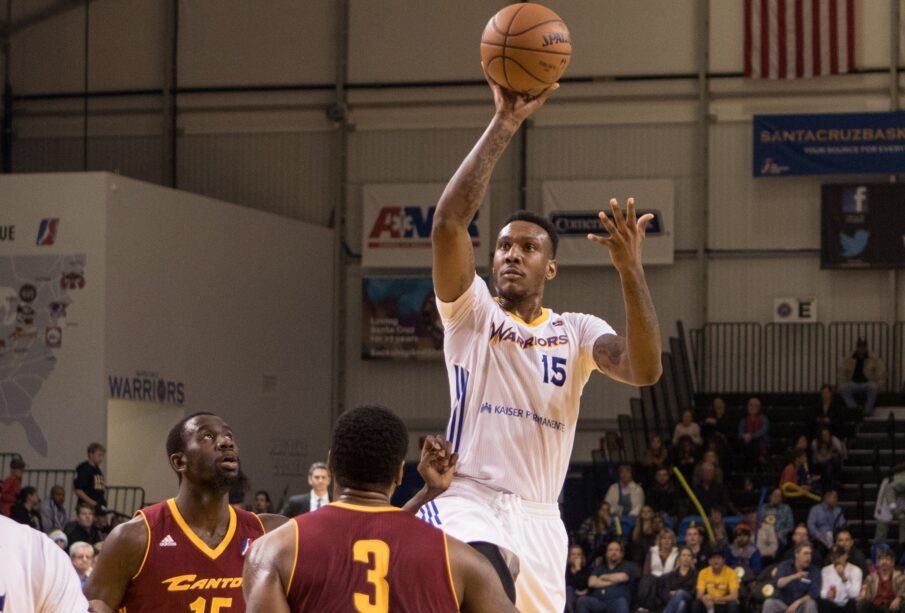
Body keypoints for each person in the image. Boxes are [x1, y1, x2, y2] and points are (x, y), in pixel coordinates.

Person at [427, 67, 662, 611]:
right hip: (468, 500)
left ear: (550, 268)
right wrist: (504, 122)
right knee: (481, 580)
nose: (512, 253)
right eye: (504, 246)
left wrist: (630, 270)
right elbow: (447, 225)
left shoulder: (576, 331)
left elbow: (645, 369)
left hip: (539, 517)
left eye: (528, 248)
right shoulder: (472, 312)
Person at [242, 405, 516, 613]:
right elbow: (386, 531)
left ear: (331, 464)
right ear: (399, 473)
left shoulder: (272, 551)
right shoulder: (461, 559)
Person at [85, 413, 289, 612]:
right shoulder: (135, 537)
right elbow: (92, 606)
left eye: (229, 436)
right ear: (179, 462)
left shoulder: (269, 534)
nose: (226, 442)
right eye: (208, 436)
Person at [0, 513, 89, 611]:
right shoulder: (40, 552)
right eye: (80, 557)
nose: (84, 560)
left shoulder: (49, 556)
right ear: (72, 557)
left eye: (62, 541)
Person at [576, 540, 640, 613]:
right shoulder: (599, 568)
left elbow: (622, 577)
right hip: (599, 602)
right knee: (582, 601)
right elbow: (591, 582)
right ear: (606, 554)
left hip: (616, 602)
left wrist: (602, 577)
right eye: (610, 550)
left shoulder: (628, 566)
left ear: (621, 554)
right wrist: (614, 582)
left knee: (622, 602)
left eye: (617, 550)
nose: (613, 552)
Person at [766, 542, 822, 613]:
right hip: (783, 605)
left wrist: (797, 603)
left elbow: (813, 594)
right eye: (805, 553)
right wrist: (794, 576)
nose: (809, 557)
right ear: (796, 554)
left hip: (801, 606)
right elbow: (778, 583)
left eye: (810, 554)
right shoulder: (785, 566)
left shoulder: (814, 571)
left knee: (810, 603)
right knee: (769, 603)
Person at [837, 339, 886, 416]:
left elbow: (881, 372)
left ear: (866, 347)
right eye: (860, 346)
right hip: (853, 383)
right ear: (857, 347)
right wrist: (842, 383)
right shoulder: (849, 358)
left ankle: (867, 411)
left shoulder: (874, 358)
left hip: (868, 383)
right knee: (842, 388)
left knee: (874, 387)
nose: (861, 348)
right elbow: (842, 372)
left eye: (863, 346)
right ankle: (855, 410)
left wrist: (879, 385)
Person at [636, 528, 679, 611]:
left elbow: (676, 571)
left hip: (668, 581)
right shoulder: (652, 551)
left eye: (669, 538)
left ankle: (649, 607)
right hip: (652, 580)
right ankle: (645, 606)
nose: (666, 541)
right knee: (646, 580)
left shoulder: (677, 553)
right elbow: (646, 571)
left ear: (673, 541)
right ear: (660, 540)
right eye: (664, 538)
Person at [857, 546, 904, 613]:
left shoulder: (899, 576)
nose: (884, 561)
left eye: (887, 559)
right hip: (876, 608)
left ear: (892, 562)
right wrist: (864, 593)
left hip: (893, 607)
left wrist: (899, 598)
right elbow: (867, 595)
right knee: (862, 604)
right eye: (881, 559)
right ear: (877, 562)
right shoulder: (870, 578)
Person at [693, 549, 740, 613]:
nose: (716, 561)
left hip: (724, 603)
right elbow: (699, 595)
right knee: (696, 604)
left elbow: (734, 596)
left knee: (733, 604)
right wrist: (704, 597)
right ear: (709, 561)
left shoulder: (731, 573)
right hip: (709, 603)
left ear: (723, 560)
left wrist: (717, 599)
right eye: (713, 558)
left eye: (718, 558)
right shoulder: (703, 572)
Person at [821, 544, 862, 613]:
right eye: (834, 557)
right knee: (824, 603)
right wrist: (827, 594)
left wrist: (844, 578)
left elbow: (854, 594)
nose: (837, 560)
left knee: (852, 603)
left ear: (846, 555)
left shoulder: (856, 570)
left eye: (839, 556)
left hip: (847, 605)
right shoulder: (825, 570)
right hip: (832, 605)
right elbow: (822, 592)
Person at [874, 463, 905, 549]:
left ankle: (903, 547)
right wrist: (893, 507)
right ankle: (878, 550)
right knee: (882, 525)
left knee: (903, 518)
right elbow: (890, 489)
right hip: (888, 492)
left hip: (900, 496)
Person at [660, 547, 699, 613]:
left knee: (680, 592)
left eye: (689, 555)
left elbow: (694, 591)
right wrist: (673, 594)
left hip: (689, 598)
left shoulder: (695, 574)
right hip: (674, 600)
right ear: (679, 558)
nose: (686, 558)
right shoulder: (672, 574)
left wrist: (678, 592)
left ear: (691, 558)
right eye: (683, 555)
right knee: (681, 604)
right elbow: (667, 590)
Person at [74, 442, 107, 513]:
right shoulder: (83, 469)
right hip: (88, 506)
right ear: (91, 454)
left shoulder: (97, 469)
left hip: (99, 504)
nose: (101, 459)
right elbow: (79, 490)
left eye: (102, 456)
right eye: (99, 455)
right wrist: (93, 503)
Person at [738, 397, 769, 467]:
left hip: (760, 443)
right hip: (746, 444)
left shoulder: (764, 419)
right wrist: (745, 436)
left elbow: (763, 431)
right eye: (750, 405)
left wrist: (751, 436)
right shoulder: (744, 420)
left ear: (759, 408)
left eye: (755, 406)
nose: (752, 408)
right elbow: (740, 433)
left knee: (754, 443)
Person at [567, 544, 591, 613]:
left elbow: (583, 586)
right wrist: (575, 591)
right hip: (569, 597)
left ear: (582, 557)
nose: (576, 556)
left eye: (578, 554)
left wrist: (578, 569)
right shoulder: (565, 571)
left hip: (583, 598)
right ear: (569, 557)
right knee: (569, 590)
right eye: (573, 554)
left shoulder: (587, 570)